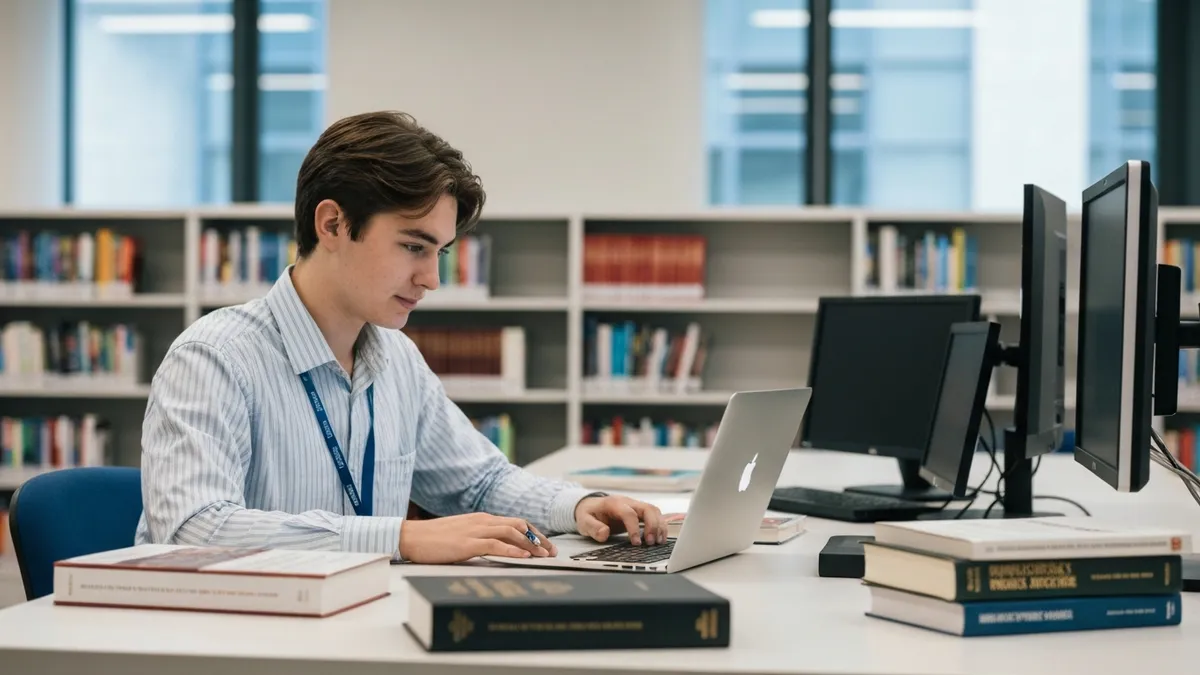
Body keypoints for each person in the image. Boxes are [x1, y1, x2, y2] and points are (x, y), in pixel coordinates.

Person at [134, 110, 666, 563]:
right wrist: (401, 537)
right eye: (413, 246)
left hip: (352, 619)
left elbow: (476, 483)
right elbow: (193, 531)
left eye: (439, 253)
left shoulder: (396, 359)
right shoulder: (214, 358)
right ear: (333, 224)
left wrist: (576, 507)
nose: (431, 279)